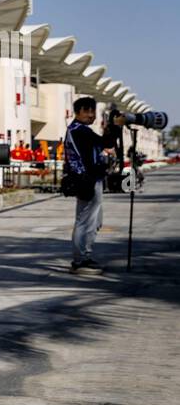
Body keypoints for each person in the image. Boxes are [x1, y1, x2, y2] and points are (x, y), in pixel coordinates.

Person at [64, 97, 116, 274]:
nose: (91, 115)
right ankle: (81, 259)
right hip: (87, 181)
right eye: (86, 111)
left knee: (95, 221)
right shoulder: (79, 131)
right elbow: (106, 143)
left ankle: (84, 255)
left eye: (93, 111)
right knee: (85, 221)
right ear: (77, 112)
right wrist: (112, 128)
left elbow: (103, 145)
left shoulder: (78, 130)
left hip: (89, 180)